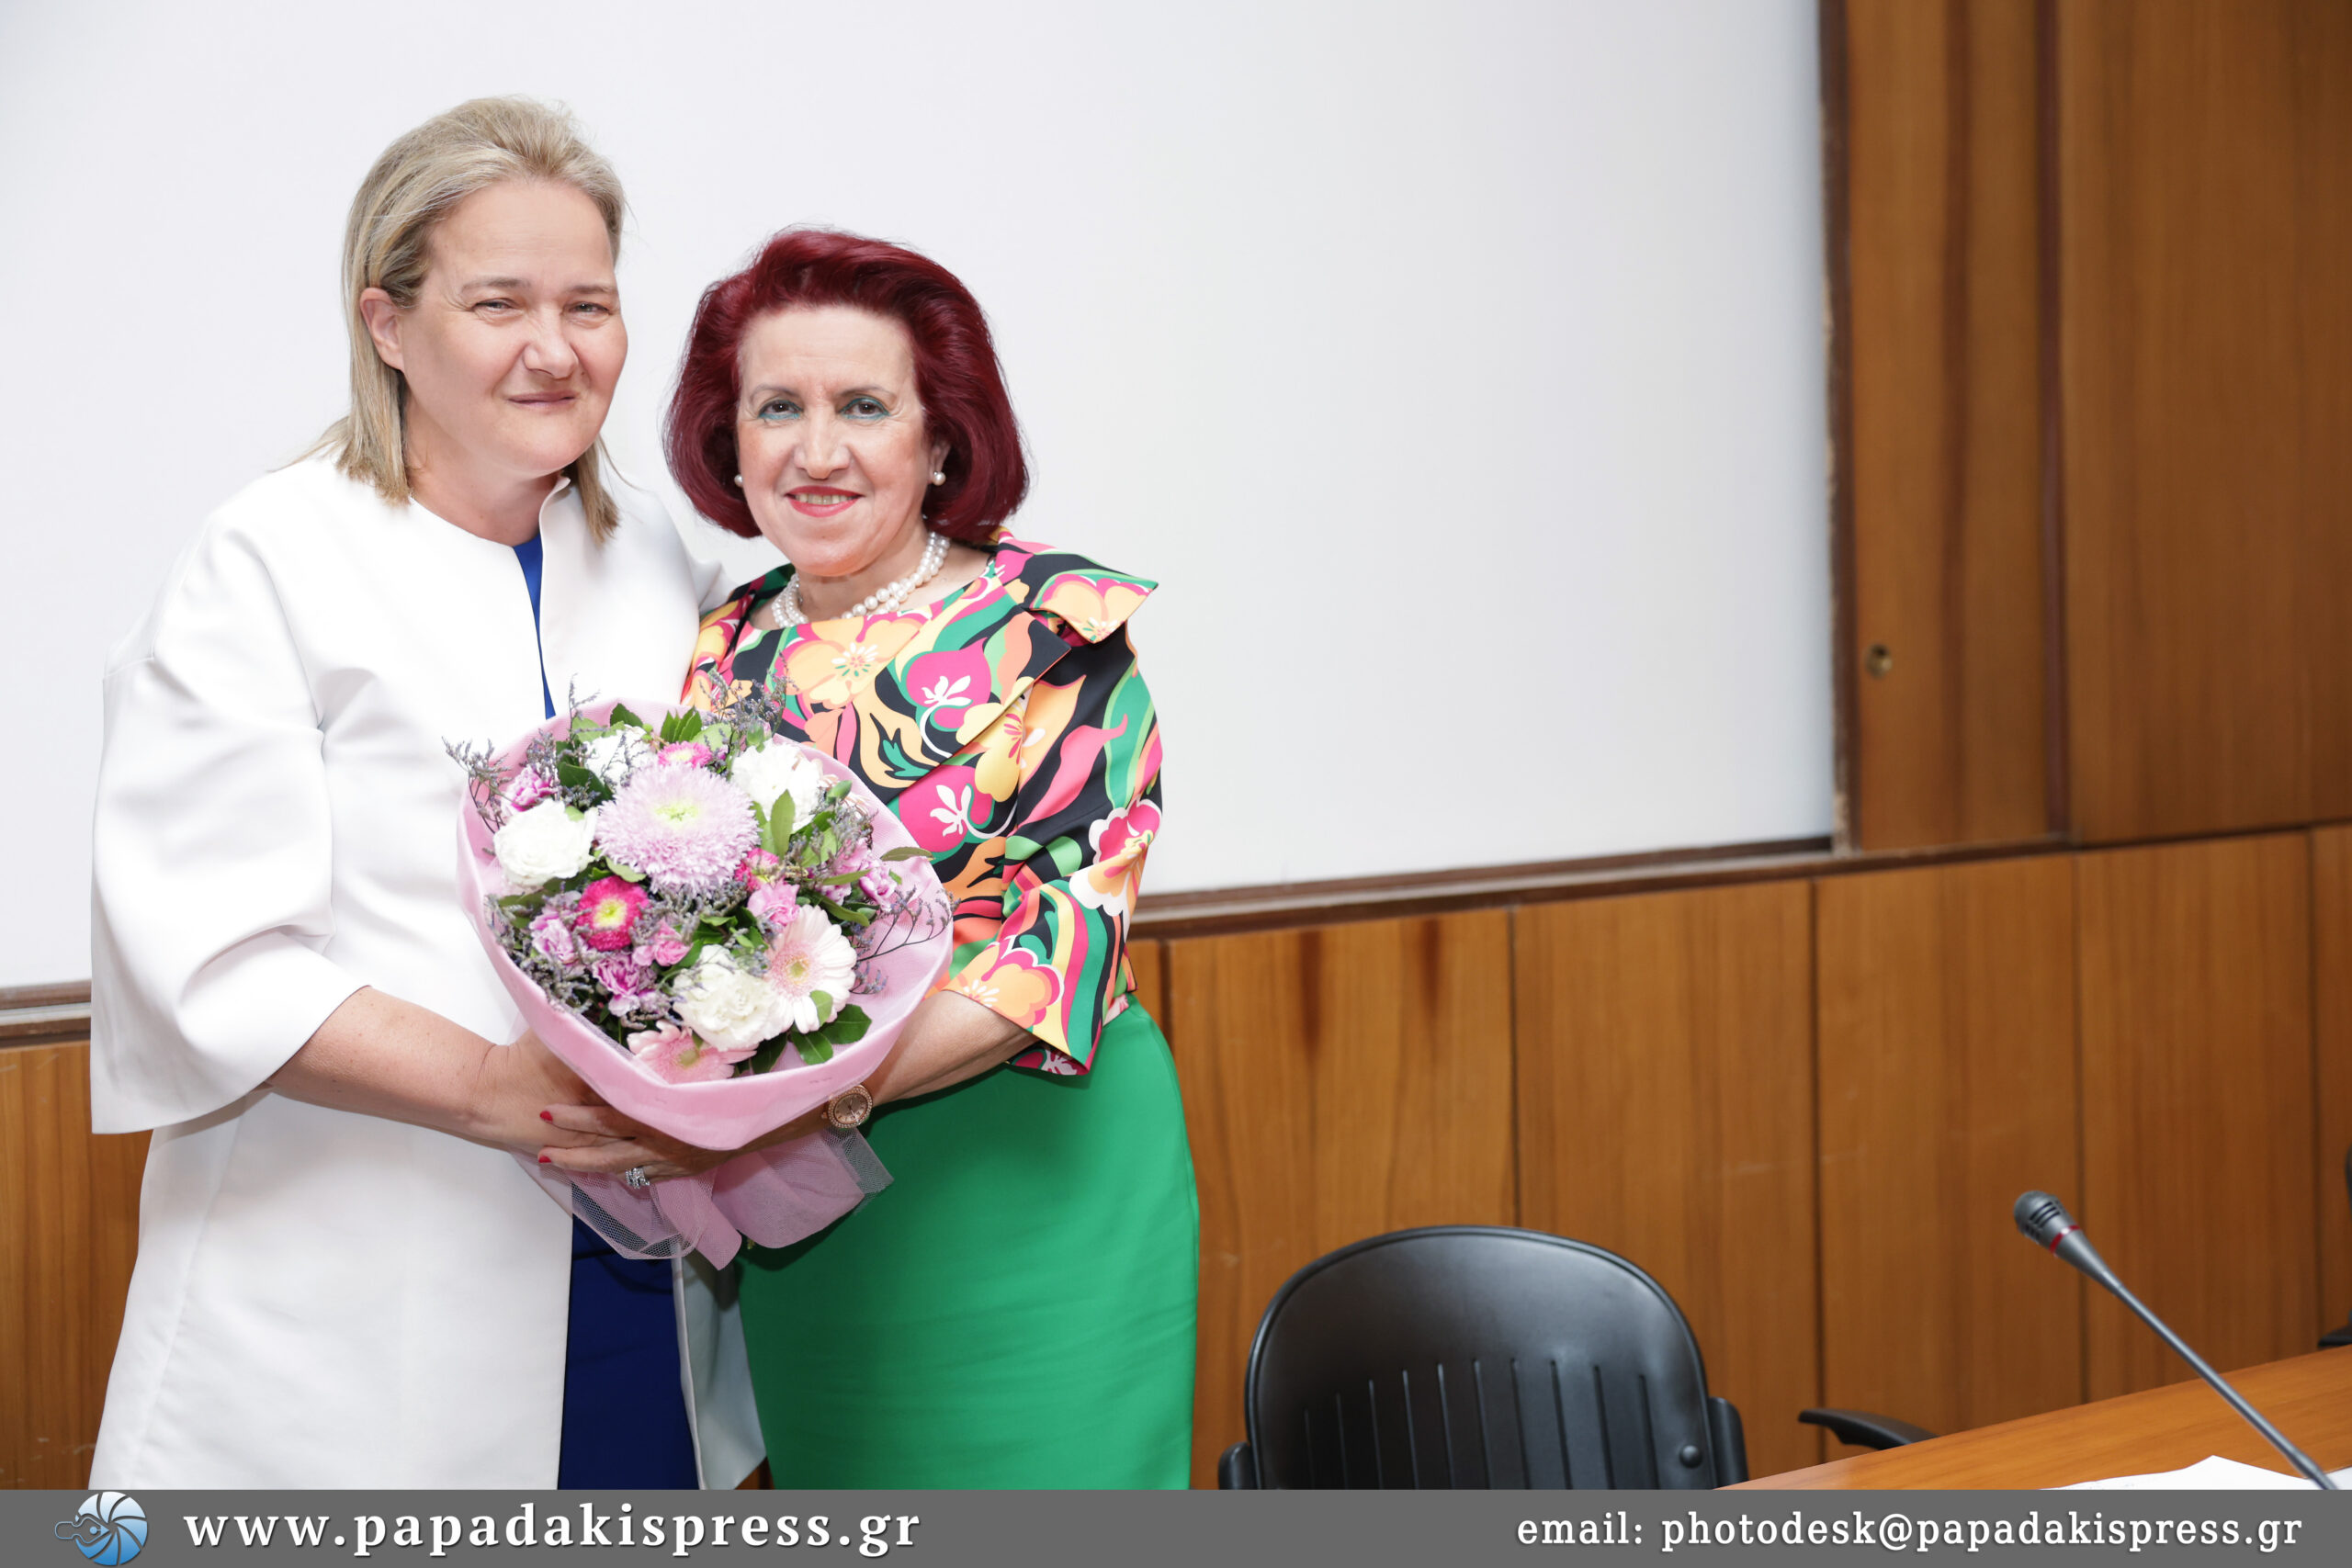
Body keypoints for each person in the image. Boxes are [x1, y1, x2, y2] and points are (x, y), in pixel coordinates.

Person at [86, 97, 762, 1488]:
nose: (554, 348)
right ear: (387, 324)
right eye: (498, 302)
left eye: (589, 305)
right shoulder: (269, 559)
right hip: (354, 1286)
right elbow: (208, 958)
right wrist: (489, 1088)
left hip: (632, 1280)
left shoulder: (654, 561)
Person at [578, 227, 1195, 1485]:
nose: (817, 452)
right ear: (728, 439)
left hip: (1030, 1170)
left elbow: (1053, 951)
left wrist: (793, 1103)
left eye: (864, 406)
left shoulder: (1054, 627)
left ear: (941, 437)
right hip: (806, 1211)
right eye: (777, 408)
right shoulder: (709, 655)